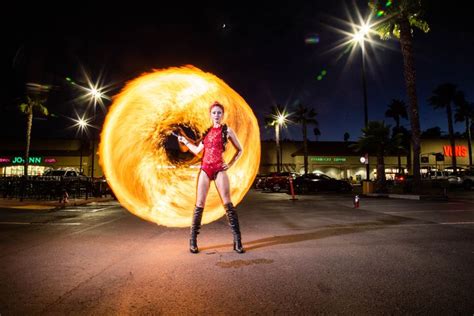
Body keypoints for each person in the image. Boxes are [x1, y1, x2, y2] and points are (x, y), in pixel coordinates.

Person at [177, 101, 244, 254]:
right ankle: (193, 242)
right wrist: (185, 141)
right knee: (199, 204)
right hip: (205, 169)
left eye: (219, 112)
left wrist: (231, 163)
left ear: (222, 115)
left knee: (228, 203)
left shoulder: (227, 130)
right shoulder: (207, 132)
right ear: (210, 114)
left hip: (219, 168)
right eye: (214, 112)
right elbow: (197, 150)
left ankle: (238, 241)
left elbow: (240, 150)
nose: (216, 115)